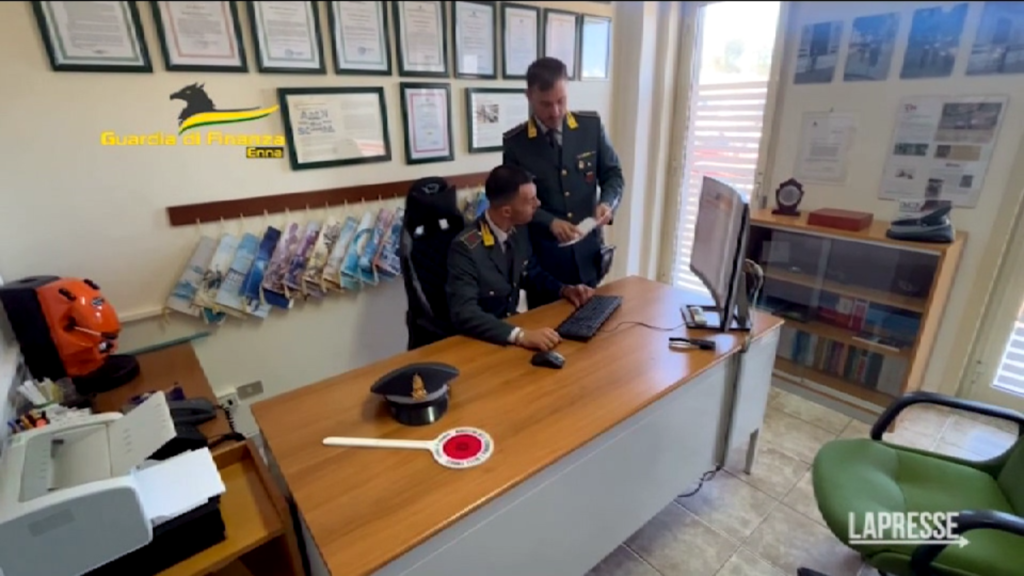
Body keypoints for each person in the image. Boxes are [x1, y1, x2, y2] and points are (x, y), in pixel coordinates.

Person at [503, 57, 625, 309]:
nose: (555, 111)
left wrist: (607, 203)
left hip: (588, 257)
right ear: (529, 96)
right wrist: (550, 221)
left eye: (561, 101)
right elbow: (515, 203)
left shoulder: (590, 127)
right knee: (549, 330)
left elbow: (613, 175)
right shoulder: (517, 144)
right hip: (547, 266)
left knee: (592, 324)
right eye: (546, 104)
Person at [446, 165, 594, 351]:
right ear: (507, 211)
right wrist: (519, 335)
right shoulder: (466, 247)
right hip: (482, 341)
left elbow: (531, 273)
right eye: (531, 200)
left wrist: (564, 290)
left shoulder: (519, 229)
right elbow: (465, 313)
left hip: (511, 330)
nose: (538, 204)